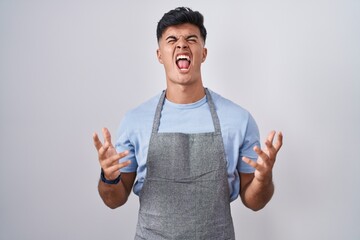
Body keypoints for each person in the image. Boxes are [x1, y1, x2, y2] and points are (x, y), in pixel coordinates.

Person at [93, 7, 283, 240]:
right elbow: (114, 199)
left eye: (191, 39)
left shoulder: (239, 120)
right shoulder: (135, 120)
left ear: (203, 53)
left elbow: (254, 201)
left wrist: (264, 180)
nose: (182, 44)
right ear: (159, 55)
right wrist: (108, 177)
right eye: (172, 39)